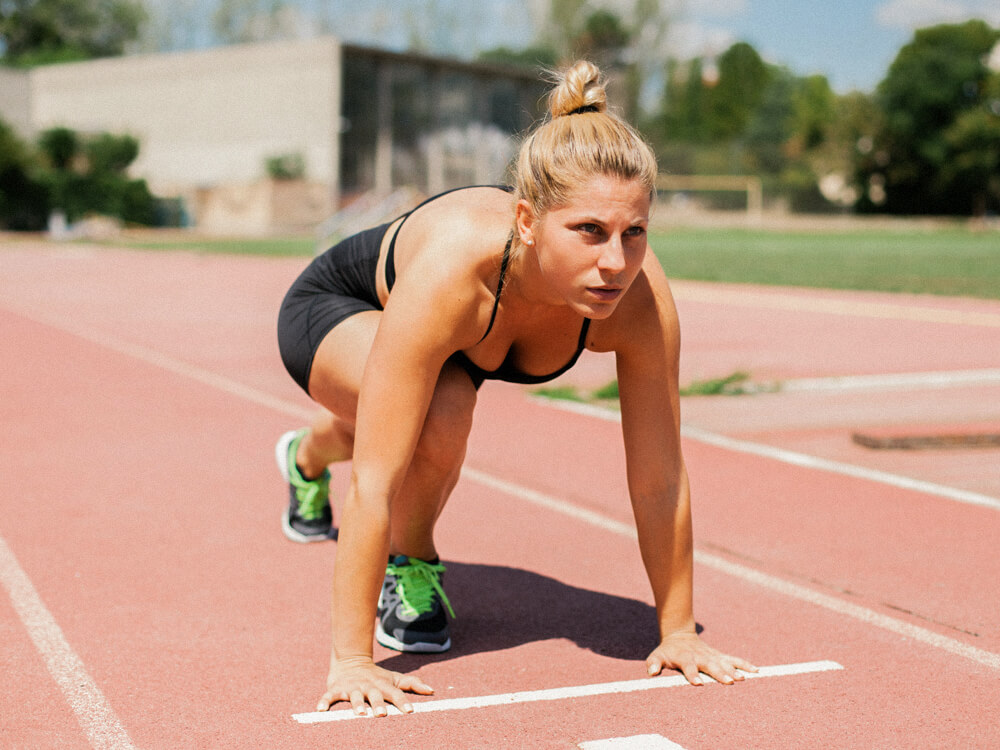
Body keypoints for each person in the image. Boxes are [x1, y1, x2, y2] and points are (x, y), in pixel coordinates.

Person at [275, 60, 756, 717]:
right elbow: (377, 481)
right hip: (341, 303)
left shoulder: (641, 300)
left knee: (414, 408)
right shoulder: (453, 274)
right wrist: (353, 661)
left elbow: (660, 477)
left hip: (450, 340)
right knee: (436, 412)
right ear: (528, 223)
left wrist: (677, 631)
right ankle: (409, 564)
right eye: (588, 231)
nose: (615, 262)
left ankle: (307, 454)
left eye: (634, 233)